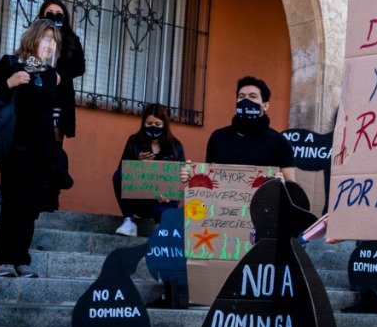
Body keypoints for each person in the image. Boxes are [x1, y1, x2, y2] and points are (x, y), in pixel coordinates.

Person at [0, 19, 65, 278]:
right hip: (15, 144)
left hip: (42, 147)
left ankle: (21, 259)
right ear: (34, 38)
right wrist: (9, 84)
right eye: (46, 39)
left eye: (54, 41)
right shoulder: (9, 64)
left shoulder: (50, 75)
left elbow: (50, 114)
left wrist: (53, 151)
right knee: (13, 202)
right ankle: (3, 259)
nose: (50, 45)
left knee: (31, 205)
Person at [196, 77, 295, 179]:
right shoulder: (218, 137)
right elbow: (208, 175)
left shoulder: (280, 143)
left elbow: (291, 186)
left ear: (265, 106)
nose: (245, 100)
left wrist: (282, 184)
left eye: (252, 96)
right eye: (241, 96)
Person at [113, 104, 186, 236]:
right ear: (143, 123)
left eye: (158, 124)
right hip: (139, 198)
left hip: (163, 200)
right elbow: (122, 172)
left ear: (165, 124)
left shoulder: (175, 146)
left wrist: (170, 195)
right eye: (149, 123)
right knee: (119, 175)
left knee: (164, 214)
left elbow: (181, 178)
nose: (153, 127)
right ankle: (129, 221)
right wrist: (137, 163)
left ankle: (163, 226)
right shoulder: (134, 141)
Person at [36, 0, 84, 143]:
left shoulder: (72, 40)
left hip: (60, 97)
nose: (55, 17)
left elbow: (80, 67)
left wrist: (60, 76)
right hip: (37, 95)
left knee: (54, 147)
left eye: (59, 14)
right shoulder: (35, 36)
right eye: (50, 14)